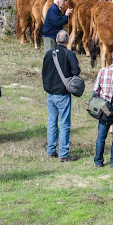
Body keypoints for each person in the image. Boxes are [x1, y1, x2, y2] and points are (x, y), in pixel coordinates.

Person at [42, 30, 80, 162]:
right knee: (64, 124)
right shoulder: (69, 54)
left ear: (56, 40)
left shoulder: (48, 54)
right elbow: (76, 71)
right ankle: (63, 154)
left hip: (50, 94)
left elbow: (44, 72)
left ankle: (51, 151)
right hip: (63, 94)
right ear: (67, 41)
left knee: (52, 122)